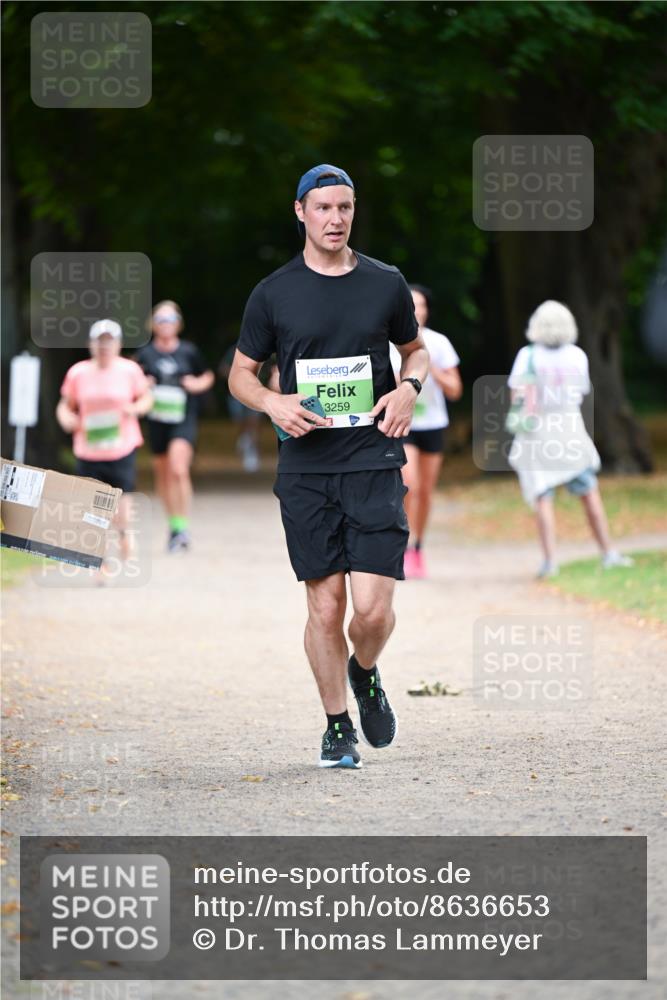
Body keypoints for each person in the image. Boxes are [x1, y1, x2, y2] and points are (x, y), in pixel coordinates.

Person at [229, 163, 429, 770]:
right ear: (300, 212)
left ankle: (364, 670)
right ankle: (336, 726)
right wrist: (272, 402)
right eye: (323, 208)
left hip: (372, 460)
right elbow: (240, 374)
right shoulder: (274, 292)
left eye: (344, 207)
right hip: (308, 470)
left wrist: (408, 389)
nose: (335, 218)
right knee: (325, 607)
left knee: (371, 610)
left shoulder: (384, 282)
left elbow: (414, 350)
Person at [507, 299, 634, 578]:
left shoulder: (528, 355)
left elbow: (516, 394)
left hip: (537, 431)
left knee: (542, 495)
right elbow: (581, 392)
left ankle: (550, 561)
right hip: (569, 428)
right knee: (589, 492)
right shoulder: (577, 355)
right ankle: (608, 552)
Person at [56, 318, 153, 563]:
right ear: (91, 344)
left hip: (122, 445)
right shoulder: (78, 372)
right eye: (100, 342)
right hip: (88, 448)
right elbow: (65, 406)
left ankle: (123, 536)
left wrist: (136, 408)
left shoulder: (129, 370)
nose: (104, 347)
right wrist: (66, 418)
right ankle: (99, 558)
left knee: (121, 503)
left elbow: (146, 397)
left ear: (118, 344)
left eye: (109, 342)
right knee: (93, 507)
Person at [390, 285, 462, 578]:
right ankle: (404, 545)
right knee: (411, 485)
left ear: (427, 310)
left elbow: (456, 390)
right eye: (410, 304)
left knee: (426, 492)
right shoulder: (387, 342)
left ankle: (417, 546)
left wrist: (428, 368)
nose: (415, 310)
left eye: (420, 305)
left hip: (433, 424)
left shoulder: (439, 343)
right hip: (403, 423)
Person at [135, 301, 215, 552]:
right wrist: (143, 384)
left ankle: (182, 527)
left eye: (170, 319)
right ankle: (174, 525)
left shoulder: (188, 351)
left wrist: (196, 384)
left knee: (179, 469)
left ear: (178, 324)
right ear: (153, 325)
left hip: (183, 417)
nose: (165, 324)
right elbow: (133, 381)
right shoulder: (146, 354)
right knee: (163, 473)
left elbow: (207, 375)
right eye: (160, 319)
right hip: (158, 420)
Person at [219, 341, 262, 472]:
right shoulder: (235, 350)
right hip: (237, 393)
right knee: (240, 420)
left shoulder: (263, 348)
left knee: (253, 420)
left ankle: (251, 449)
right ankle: (245, 439)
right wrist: (237, 376)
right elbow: (223, 368)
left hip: (257, 391)